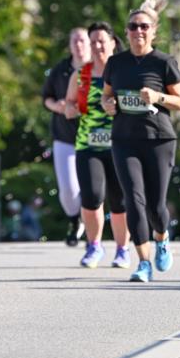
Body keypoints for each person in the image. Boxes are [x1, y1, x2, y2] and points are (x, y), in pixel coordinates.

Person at [101, 0, 180, 282]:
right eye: (133, 26)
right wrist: (108, 105)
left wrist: (159, 96)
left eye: (144, 27)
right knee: (133, 200)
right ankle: (144, 263)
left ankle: (162, 239)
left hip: (158, 139)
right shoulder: (116, 63)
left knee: (156, 206)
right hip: (124, 139)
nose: (139, 31)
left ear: (153, 31)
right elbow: (106, 96)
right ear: (126, 31)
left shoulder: (164, 62)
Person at [64, 21, 130, 268]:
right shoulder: (81, 74)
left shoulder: (123, 72)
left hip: (120, 144)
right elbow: (69, 103)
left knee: (120, 201)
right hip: (87, 144)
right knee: (91, 198)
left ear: (113, 42)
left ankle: (123, 249)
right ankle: (94, 246)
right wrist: (69, 109)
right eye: (93, 42)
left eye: (102, 41)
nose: (97, 46)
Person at [42, 27, 91, 246]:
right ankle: (75, 220)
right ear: (70, 45)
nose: (79, 45)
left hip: (94, 137)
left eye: (82, 40)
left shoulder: (100, 68)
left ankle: (94, 233)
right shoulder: (61, 69)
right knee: (69, 189)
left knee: (94, 188)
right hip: (65, 136)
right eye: (75, 41)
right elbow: (47, 98)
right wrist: (59, 107)